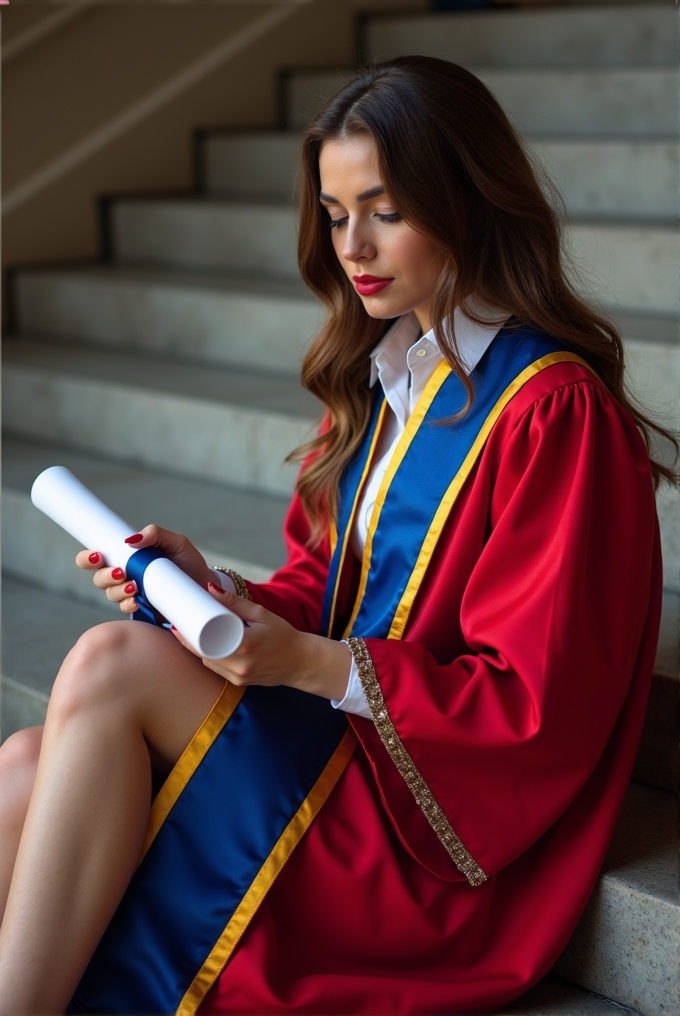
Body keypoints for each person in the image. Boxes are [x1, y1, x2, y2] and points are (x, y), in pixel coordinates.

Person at [0, 56, 673, 1016]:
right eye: (334, 210)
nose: (352, 245)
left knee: (112, 666)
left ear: (467, 200)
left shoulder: (552, 414)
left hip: (430, 830)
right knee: (26, 762)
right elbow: (328, 588)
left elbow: (534, 709)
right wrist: (216, 593)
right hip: (345, 742)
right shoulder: (389, 377)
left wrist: (311, 665)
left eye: (385, 210)